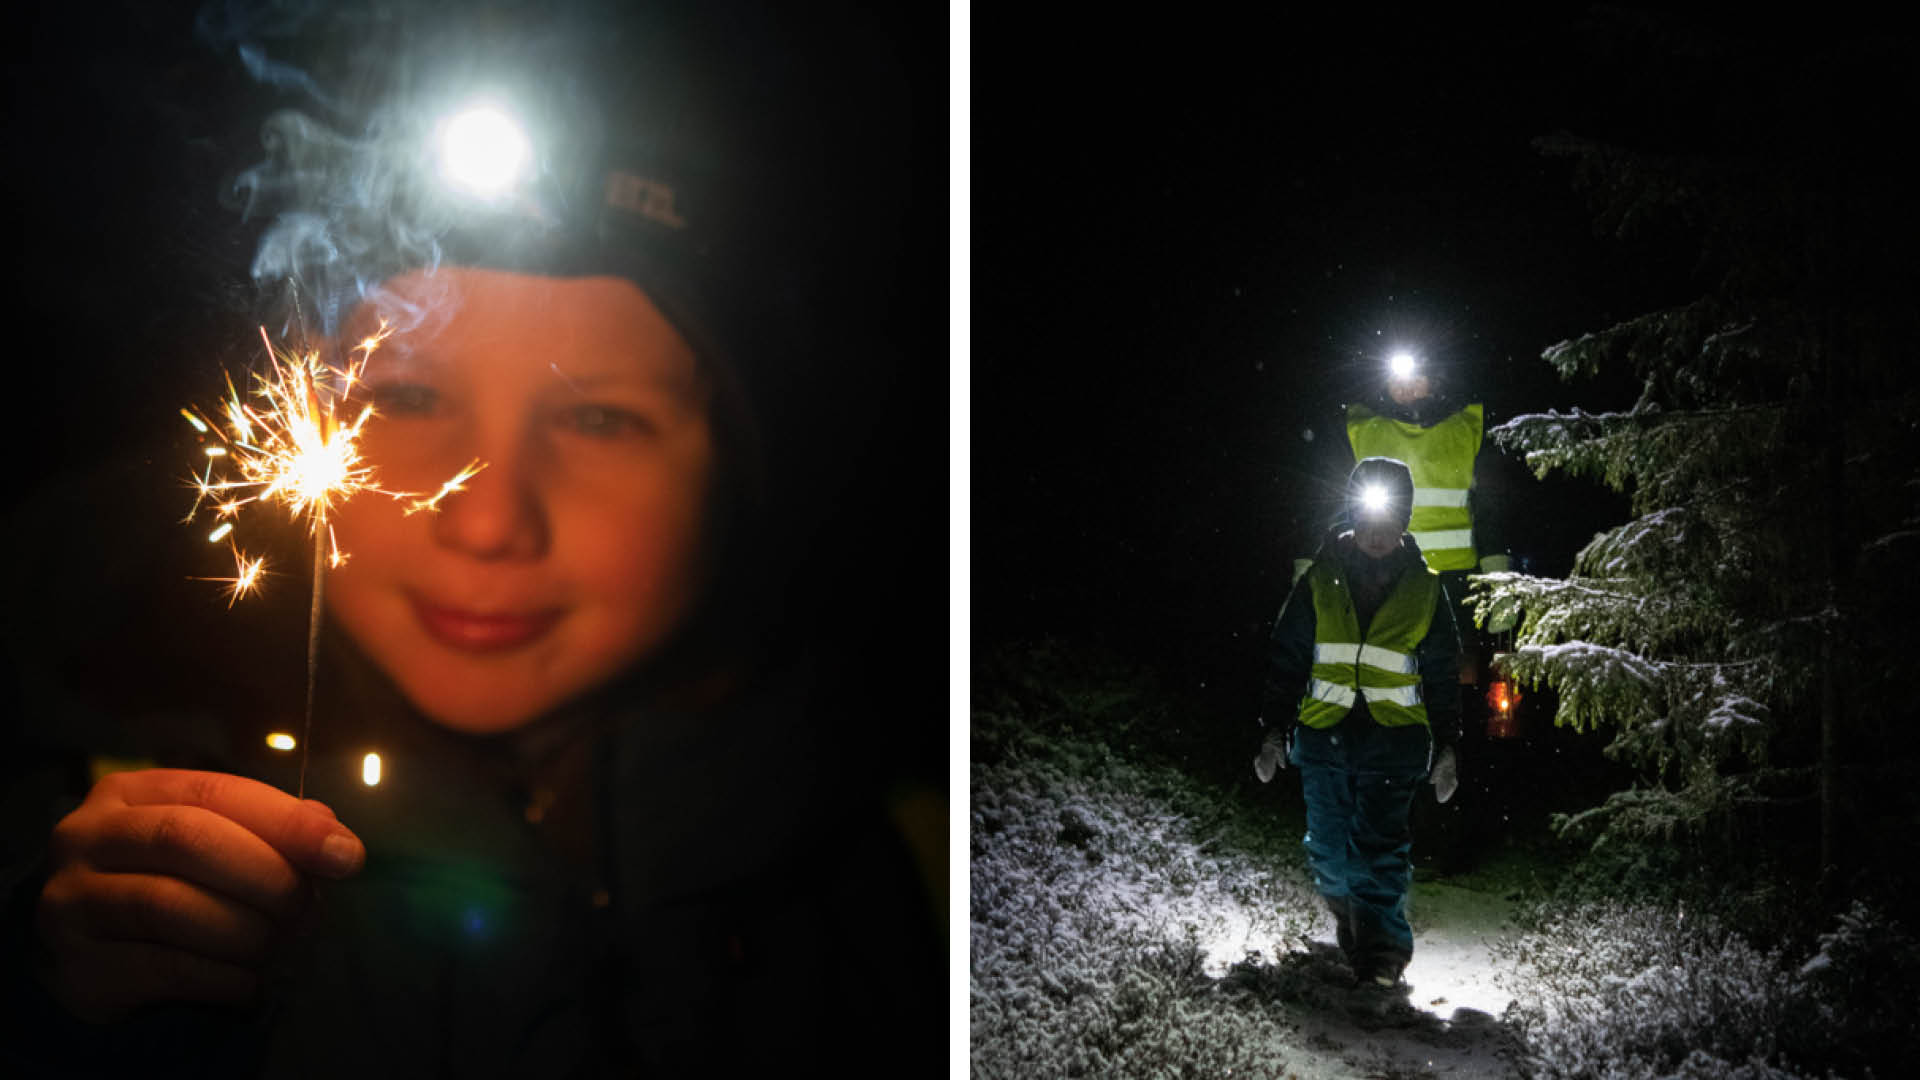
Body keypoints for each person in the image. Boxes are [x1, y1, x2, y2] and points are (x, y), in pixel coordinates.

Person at [0, 8, 939, 1077]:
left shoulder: (926, 879)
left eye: (598, 420)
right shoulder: (67, 801)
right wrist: (47, 998)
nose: (486, 521)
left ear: (743, 461)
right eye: (405, 396)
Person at [1254, 456, 1461, 988]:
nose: (1377, 534)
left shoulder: (1427, 591)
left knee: (1378, 848)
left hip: (1394, 745)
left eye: (1390, 522)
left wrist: (1447, 748)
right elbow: (1288, 657)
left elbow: (1441, 675)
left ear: (1405, 522)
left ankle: (1382, 954)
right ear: (1352, 516)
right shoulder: (1320, 580)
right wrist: (1274, 731)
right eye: (1368, 520)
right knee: (1327, 847)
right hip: (1324, 737)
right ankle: (1354, 924)